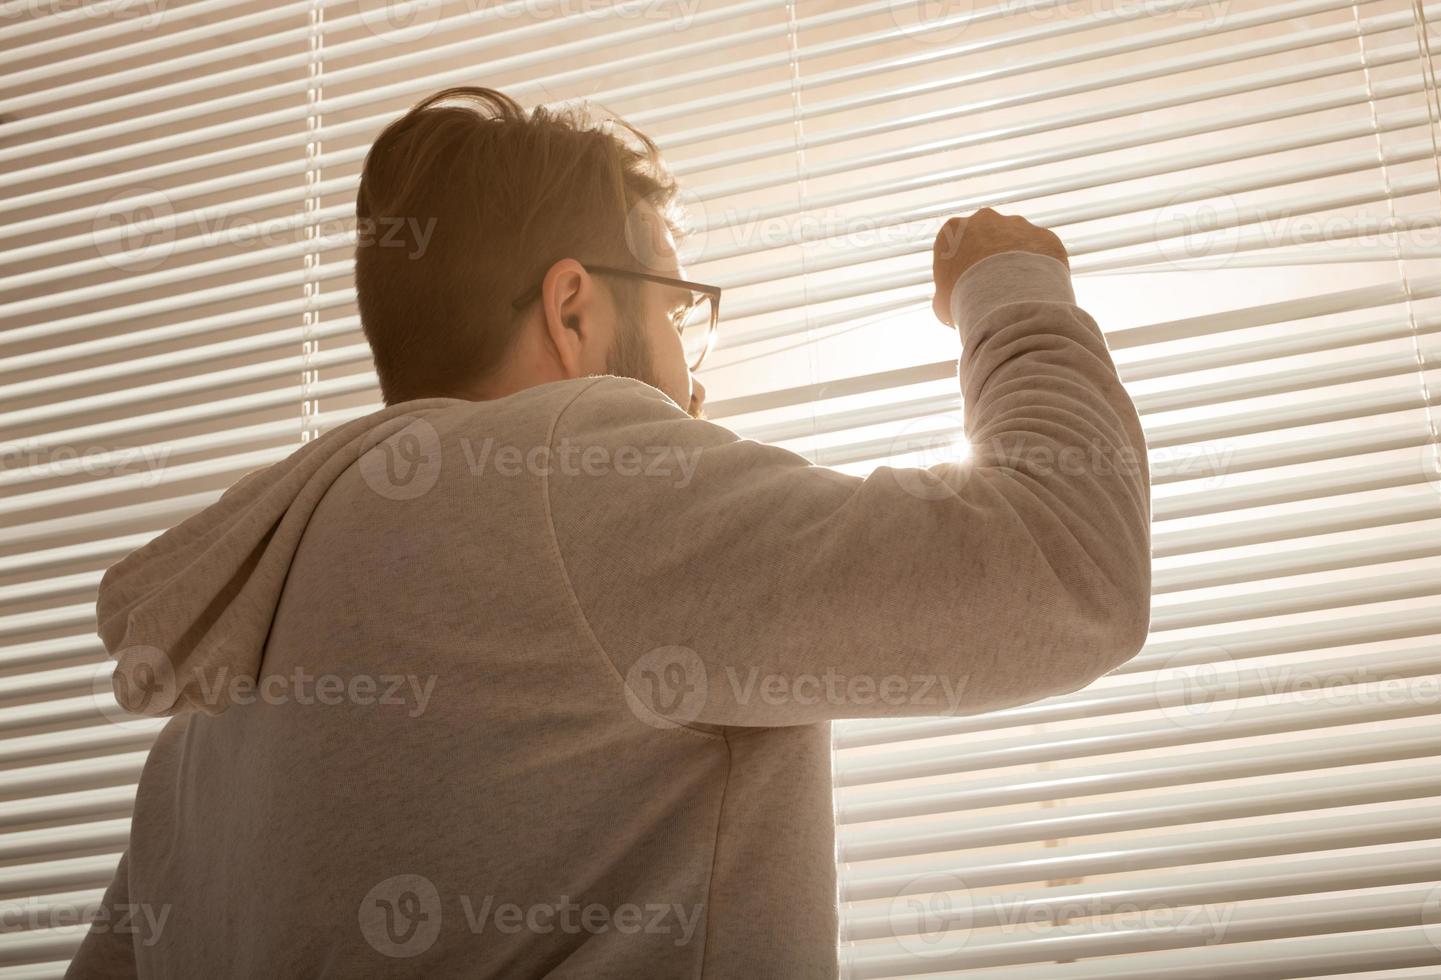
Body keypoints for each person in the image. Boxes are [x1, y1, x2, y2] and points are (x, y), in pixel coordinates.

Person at [68, 85, 1150, 979]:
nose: (695, 371)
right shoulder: (574, 470)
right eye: (679, 307)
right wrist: (1011, 285)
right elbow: (1067, 561)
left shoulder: (201, 743)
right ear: (574, 308)